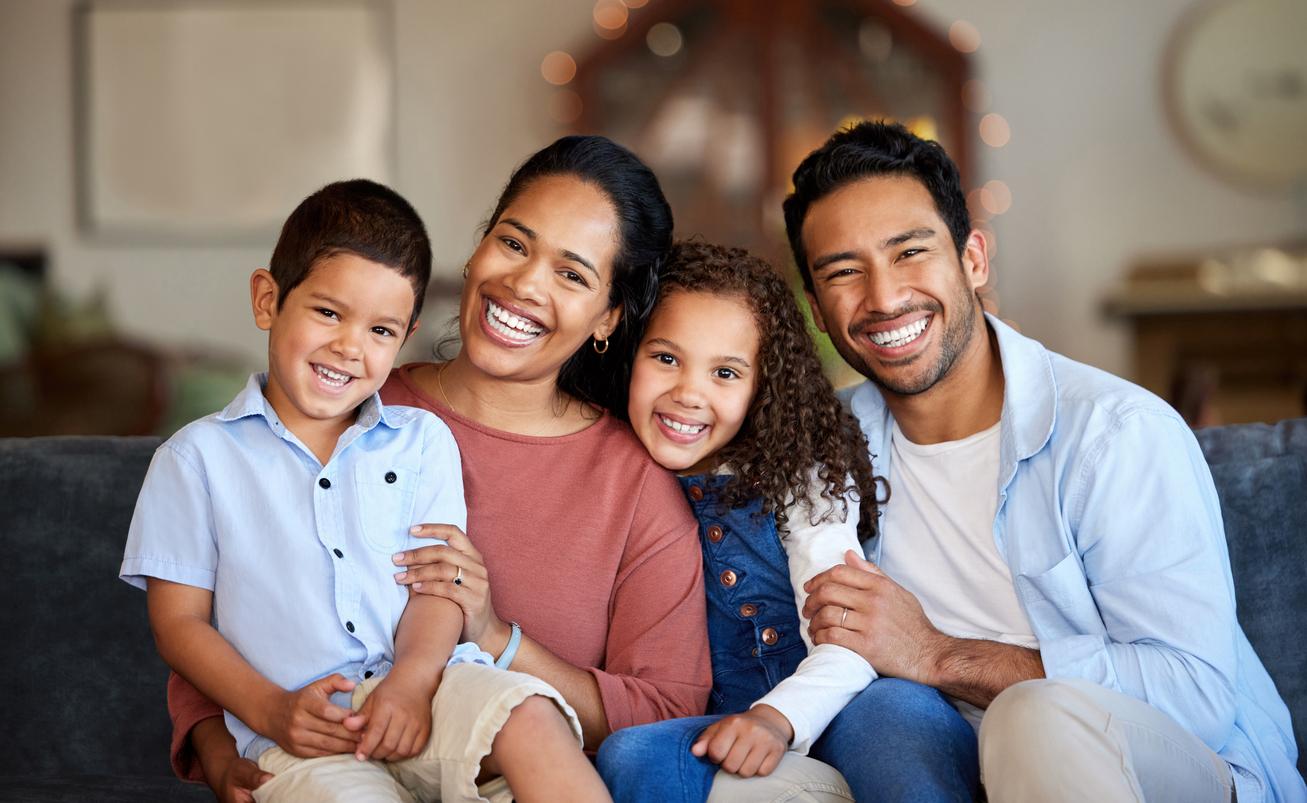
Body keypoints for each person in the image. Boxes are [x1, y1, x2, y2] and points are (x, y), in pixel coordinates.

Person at [168, 137, 712, 802]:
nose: (523, 283)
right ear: (480, 245)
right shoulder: (344, 402)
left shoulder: (635, 487)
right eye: (513, 243)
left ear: (608, 317)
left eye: (571, 274)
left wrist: (493, 635)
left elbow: (664, 714)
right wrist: (220, 750)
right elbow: (223, 602)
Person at [783, 121, 1304, 802]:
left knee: (1031, 716)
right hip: (956, 766)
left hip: (1186, 771)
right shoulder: (827, 447)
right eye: (843, 272)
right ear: (818, 310)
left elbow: (1195, 692)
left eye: (909, 252)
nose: (883, 298)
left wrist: (935, 653)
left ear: (973, 258)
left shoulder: (1112, 432)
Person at [595, 241, 978, 803]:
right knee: (630, 753)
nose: (688, 393)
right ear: (630, 354)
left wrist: (778, 718)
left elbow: (850, 637)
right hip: (718, 718)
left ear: (762, 389)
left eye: (725, 372)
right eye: (667, 358)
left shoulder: (800, 475)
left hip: (842, 698)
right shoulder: (611, 470)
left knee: (899, 717)